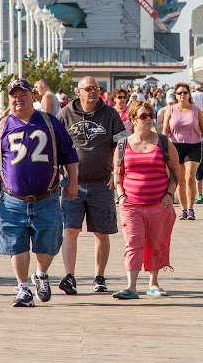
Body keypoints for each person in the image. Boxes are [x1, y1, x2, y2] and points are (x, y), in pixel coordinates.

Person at [0, 78, 79, 307]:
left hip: (47, 198)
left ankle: (41, 274)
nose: (18, 99)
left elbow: (70, 156)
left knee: (48, 243)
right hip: (12, 199)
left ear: (32, 96)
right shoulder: (2, 127)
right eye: (14, 96)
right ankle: (23, 288)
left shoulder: (50, 122)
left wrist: (73, 183)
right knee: (17, 244)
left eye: (23, 94)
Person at [56, 76, 127, 295]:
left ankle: (99, 277)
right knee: (70, 230)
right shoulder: (65, 115)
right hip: (72, 184)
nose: (93, 91)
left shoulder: (110, 114)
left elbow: (122, 144)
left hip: (101, 183)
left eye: (96, 88)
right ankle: (70, 276)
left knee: (101, 233)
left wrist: (117, 173)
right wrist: (59, 174)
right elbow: (55, 146)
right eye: (88, 88)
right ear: (78, 91)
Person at [112, 101, 179, 299]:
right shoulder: (123, 144)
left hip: (159, 203)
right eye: (143, 116)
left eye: (151, 115)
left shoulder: (164, 142)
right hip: (131, 204)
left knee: (156, 243)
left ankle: (153, 282)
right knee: (133, 243)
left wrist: (169, 195)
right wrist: (121, 195)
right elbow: (118, 174)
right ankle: (131, 286)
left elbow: (175, 173)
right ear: (132, 120)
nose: (148, 119)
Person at [162, 82, 203, 220]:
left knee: (190, 176)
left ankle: (191, 209)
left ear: (189, 95)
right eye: (180, 93)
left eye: (185, 92)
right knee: (179, 179)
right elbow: (165, 131)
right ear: (176, 96)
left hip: (194, 146)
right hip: (175, 147)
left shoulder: (196, 110)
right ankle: (183, 210)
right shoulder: (171, 110)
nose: (182, 95)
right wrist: (162, 149)